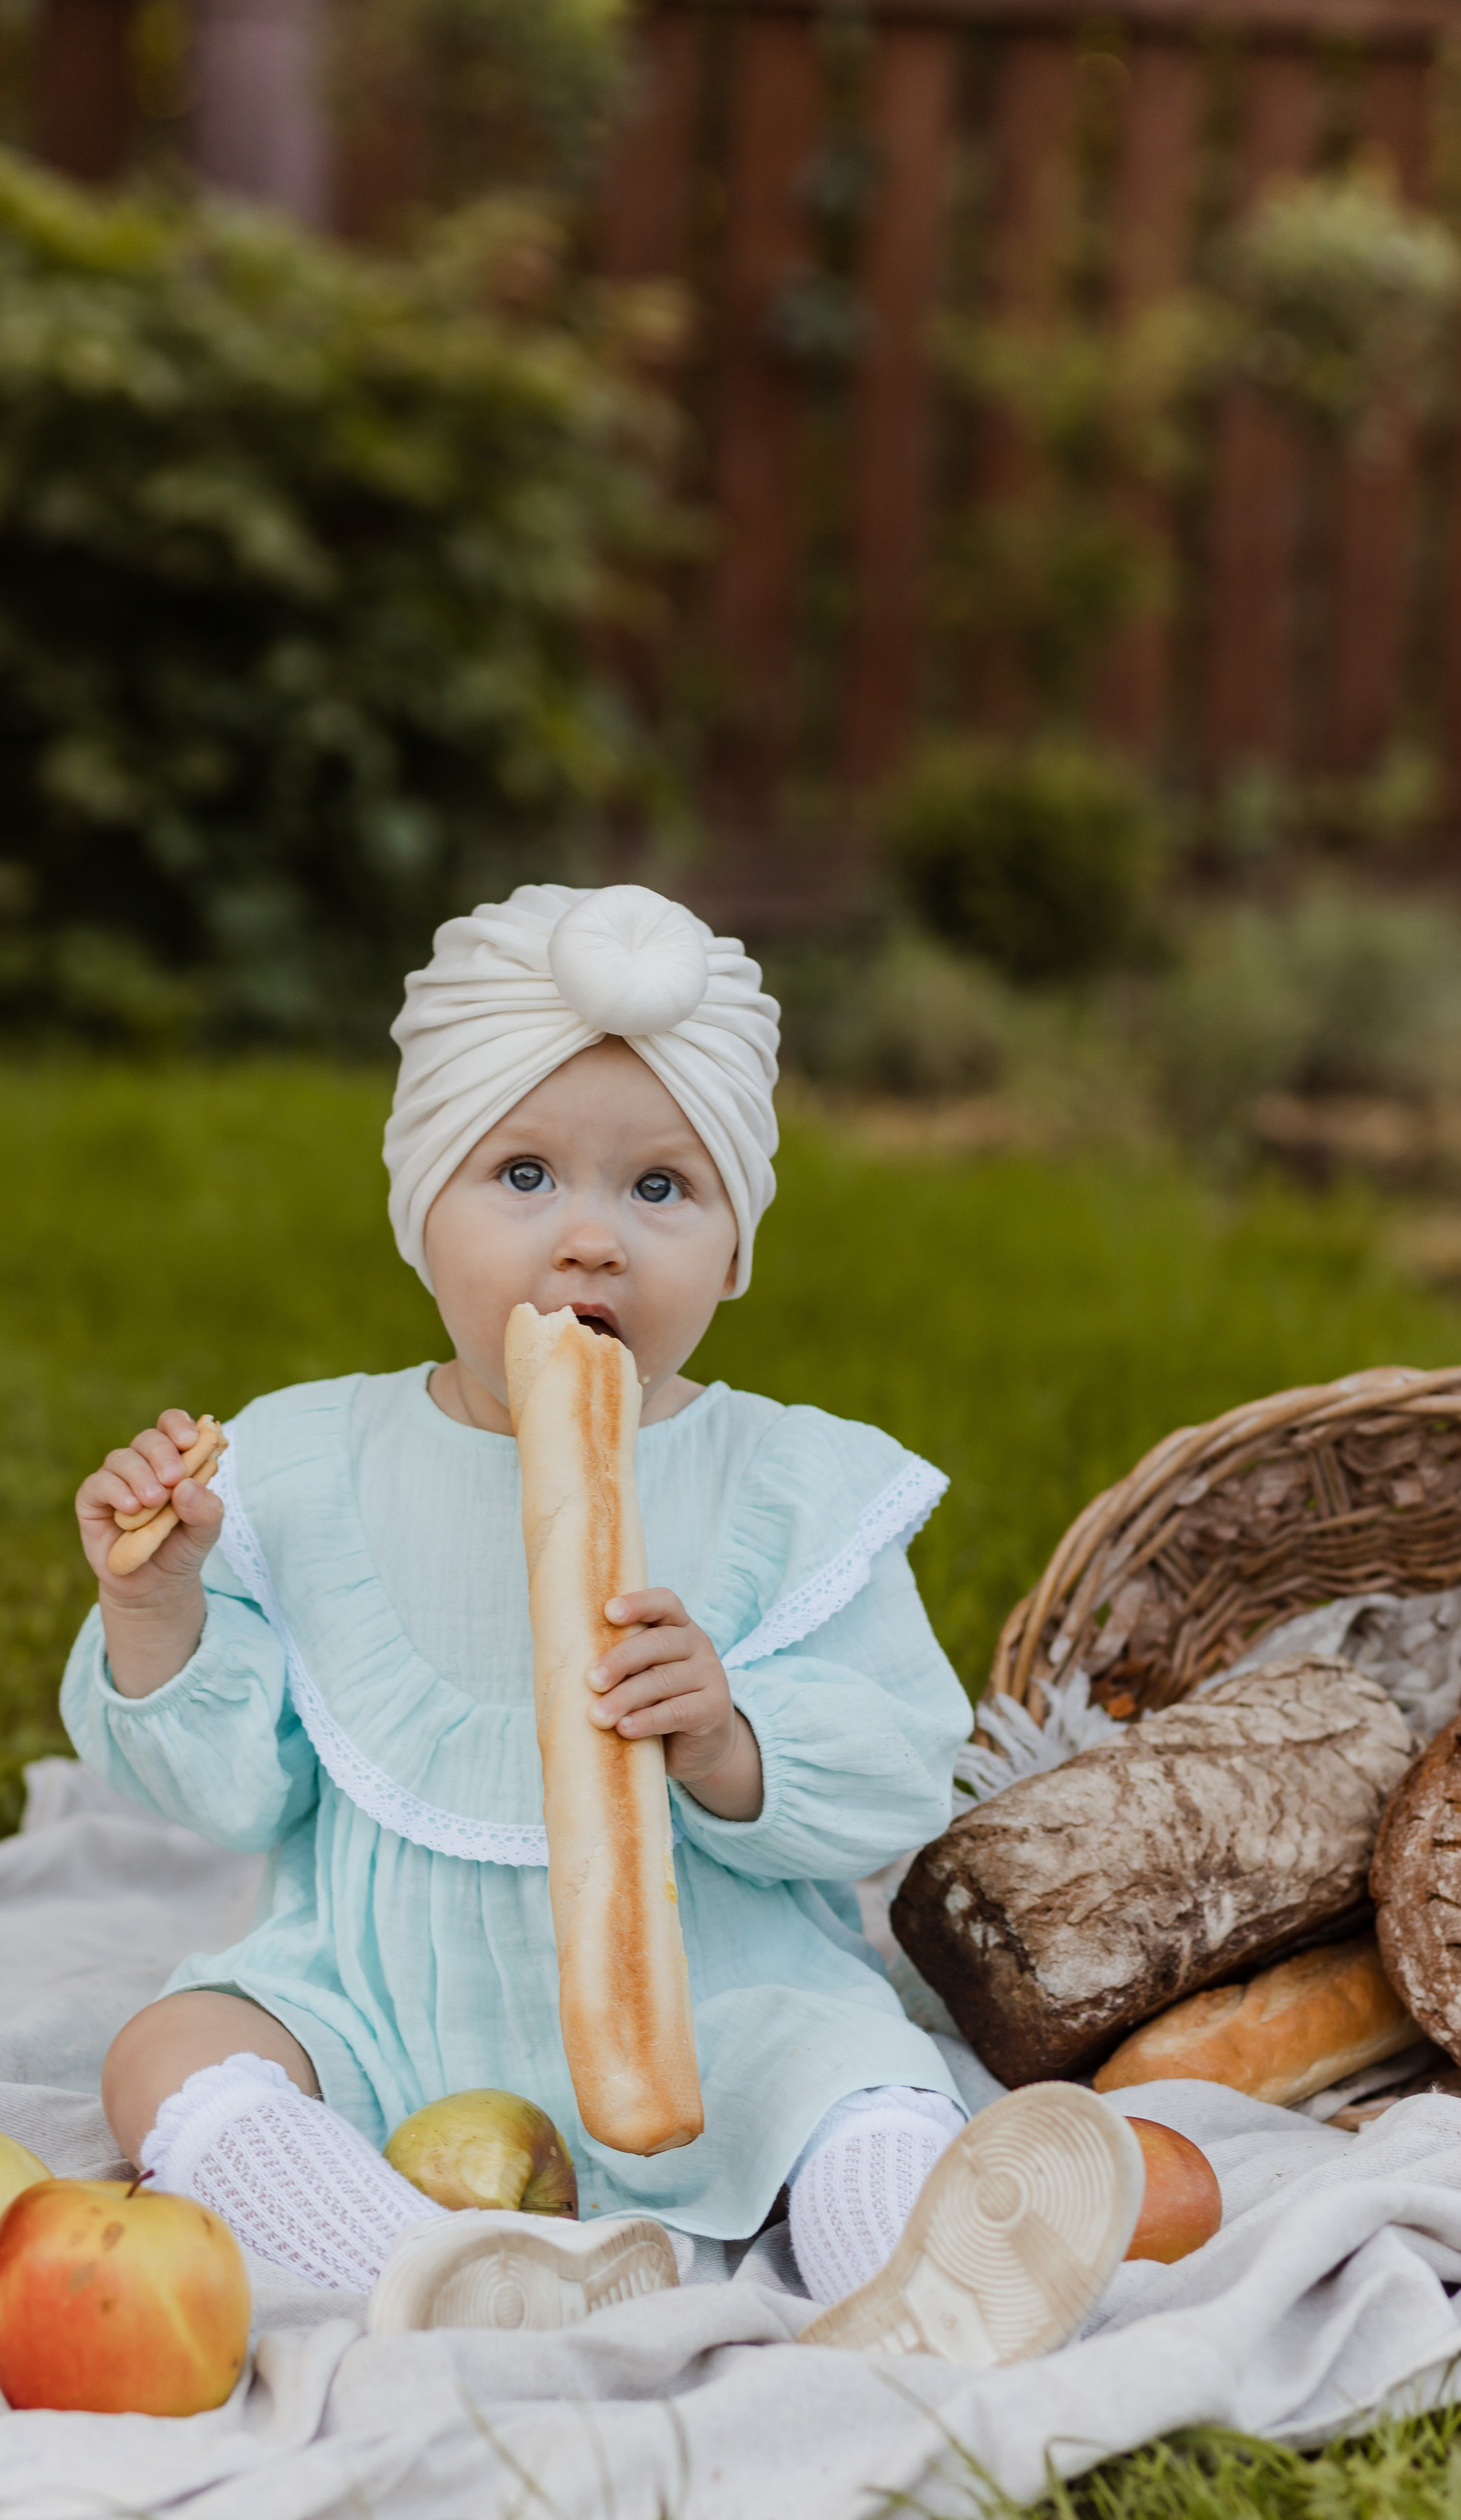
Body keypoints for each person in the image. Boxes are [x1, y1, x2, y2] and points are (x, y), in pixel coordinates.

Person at [64, 883, 1143, 2352]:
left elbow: (892, 1762)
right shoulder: (305, 1464)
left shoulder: (777, 1482)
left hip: (716, 1988)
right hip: (384, 1986)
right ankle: (420, 2268)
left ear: (734, 1246)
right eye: (520, 1176)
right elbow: (229, 1788)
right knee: (174, 2052)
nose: (590, 1243)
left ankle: (916, 2290)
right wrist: (156, 1599)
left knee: (856, 2082)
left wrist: (725, 1741)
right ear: (418, 1211)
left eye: (658, 1190)